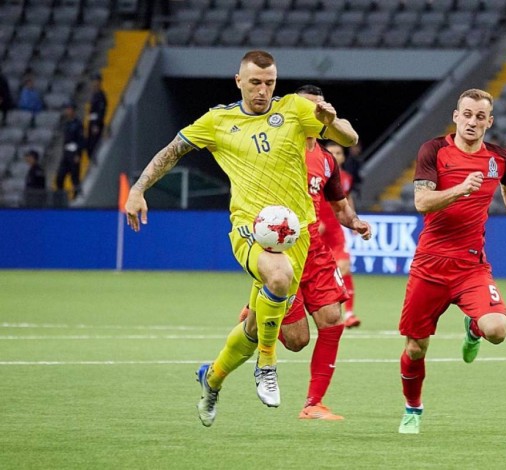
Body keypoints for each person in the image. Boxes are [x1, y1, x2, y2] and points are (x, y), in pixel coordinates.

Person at [123, 50, 359, 427]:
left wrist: (332, 123)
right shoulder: (218, 121)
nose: (262, 90)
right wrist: (138, 189)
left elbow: (349, 136)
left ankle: (213, 377)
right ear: (239, 81)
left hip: (296, 233)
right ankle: (266, 365)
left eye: (269, 83)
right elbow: (173, 151)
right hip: (249, 229)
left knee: (279, 333)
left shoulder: (294, 108)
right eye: (255, 83)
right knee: (278, 276)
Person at [396, 88, 506, 434]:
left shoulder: (499, 158)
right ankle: (413, 408)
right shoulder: (433, 151)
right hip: (430, 265)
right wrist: (461, 189)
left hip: (471, 267)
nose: (472, 122)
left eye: (479, 117)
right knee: (415, 347)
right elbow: (422, 202)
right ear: (456, 116)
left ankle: (474, 327)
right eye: (466, 114)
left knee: (496, 330)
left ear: (490, 122)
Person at [239, 85, 371, 420]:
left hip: (315, 249)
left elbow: (340, 206)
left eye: (318, 108)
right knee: (298, 341)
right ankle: (259, 306)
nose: (311, 114)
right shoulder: (277, 150)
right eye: (305, 107)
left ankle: (313, 404)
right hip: (284, 253)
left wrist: (355, 222)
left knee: (332, 319)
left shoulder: (327, 160)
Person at [321, 140, 360, 328]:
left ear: (343, 157)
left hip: (335, 232)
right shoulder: (315, 175)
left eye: (338, 153)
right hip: (315, 231)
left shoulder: (346, 178)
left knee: (344, 267)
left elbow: (347, 199)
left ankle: (349, 314)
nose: (335, 156)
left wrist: (353, 221)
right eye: (331, 153)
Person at [54, 101, 85, 197]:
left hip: (74, 152)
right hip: (66, 153)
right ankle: (61, 197)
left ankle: (77, 196)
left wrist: (78, 154)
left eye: (69, 109)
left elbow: (80, 140)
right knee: (60, 177)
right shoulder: (66, 123)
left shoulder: (78, 124)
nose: (67, 111)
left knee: (74, 177)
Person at [85, 73, 107, 161]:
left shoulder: (101, 96)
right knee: (89, 146)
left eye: (95, 81)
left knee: (94, 147)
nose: (94, 83)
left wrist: (96, 124)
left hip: (96, 125)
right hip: (91, 124)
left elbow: (101, 112)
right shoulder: (94, 95)